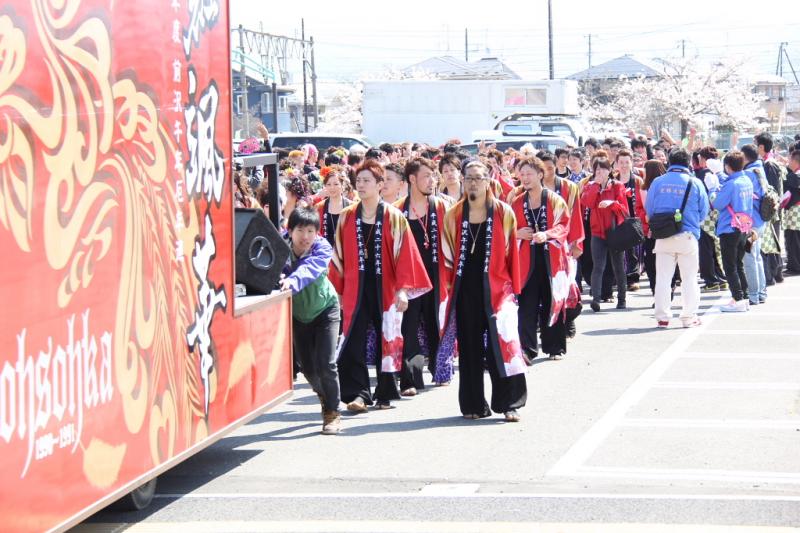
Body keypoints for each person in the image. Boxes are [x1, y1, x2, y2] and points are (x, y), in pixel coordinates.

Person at [330, 161, 432, 412]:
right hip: (356, 287)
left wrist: (403, 289)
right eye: (359, 181)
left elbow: (405, 255)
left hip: (386, 287)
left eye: (367, 181)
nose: (361, 185)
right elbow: (338, 256)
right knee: (352, 338)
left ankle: (385, 391)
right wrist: (339, 291)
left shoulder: (393, 216)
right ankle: (358, 394)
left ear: (379, 185)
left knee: (388, 335)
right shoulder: (347, 217)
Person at [435, 160, 527, 421]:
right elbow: (447, 256)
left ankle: (510, 403)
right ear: (462, 181)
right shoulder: (453, 214)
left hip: (499, 289)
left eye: (478, 178)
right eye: (469, 178)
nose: (473, 182)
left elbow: (512, 253)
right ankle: (474, 405)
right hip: (466, 290)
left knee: (505, 344)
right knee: (469, 347)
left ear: (488, 181)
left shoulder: (503, 212)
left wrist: (514, 290)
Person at [280, 208, 342, 435]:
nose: (305, 236)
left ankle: (333, 413)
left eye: (310, 231)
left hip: (326, 309)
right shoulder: (280, 247)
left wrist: (290, 280)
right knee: (308, 370)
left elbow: (310, 269)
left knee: (327, 364)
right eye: (300, 230)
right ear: (290, 230)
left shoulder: (322, 247)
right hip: (298, 315)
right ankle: (325, 396)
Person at [395, 158, 451, 393]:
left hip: (437, 274)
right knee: (407, 326)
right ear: (411, 179)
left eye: (433, 175)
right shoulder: (398, 210)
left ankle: (440, 369)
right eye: (426, 175)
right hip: (410, 278)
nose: (432, 180)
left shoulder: (441, 206)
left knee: (436, 322)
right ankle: (410, 379)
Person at [511, 157, 571, 361]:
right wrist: (517, 233)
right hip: (526, 260)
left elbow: (564, 224)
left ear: (540, 174)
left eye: (529, 174)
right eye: (522, 174)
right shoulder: (517, 202)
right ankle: (527, 349)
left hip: (551, 259)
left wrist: (547, 234)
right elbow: (508, 228)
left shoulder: (555, 200)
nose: (525, 178)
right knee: (526, 305)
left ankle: (554, 347)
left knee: (552, 300)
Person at [644, 148, 709, 328]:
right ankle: (688, 317)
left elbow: (649, 209)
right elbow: (704, 211)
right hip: (687, 236)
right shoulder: (695, 183)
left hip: (663, 237)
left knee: (663, 278)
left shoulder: (657, 182)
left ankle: (662, 317)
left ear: (669, 163)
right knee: (689, 278)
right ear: (688, 162)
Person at [537, 151, 584, 338]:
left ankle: (568, 320)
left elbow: (575, 216)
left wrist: (576, 242)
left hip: (563, 244)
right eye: (543, 168)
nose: (547, 172)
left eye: (550, 167)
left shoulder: (569, 187)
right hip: (538, 243)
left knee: (566, 284)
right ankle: (545, 324)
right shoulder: (529, 188)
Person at [581, 157, 630, 312]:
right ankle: (595, 299)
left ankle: (622, 299)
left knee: (618, 267)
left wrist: (612, 203)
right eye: (597, 169)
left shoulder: (617, 186)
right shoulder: (590, 186)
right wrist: (595, 185)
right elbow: (587, 203)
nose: (600, 172)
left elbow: (624, 210)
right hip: (597, 232)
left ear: (609, 171)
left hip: (615, 232)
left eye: (603, 169)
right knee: (598, 266)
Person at [712, 151, 754, 313]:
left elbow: (717, 203)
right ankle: (743, 296)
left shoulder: (732, 184)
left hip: (729, 227)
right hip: (744, 226)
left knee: (729, 266)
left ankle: (737, 299)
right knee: (738, 264)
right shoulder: (746, 180)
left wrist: (712, 190)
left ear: (728, 167)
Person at [742, 144, 769, 305]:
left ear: (745, 157)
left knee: (749, 258)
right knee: (756, 257)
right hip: (760, 220)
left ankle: (753, 294)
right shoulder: (760, 169)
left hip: (750, 223)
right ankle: (761, 292)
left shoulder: (748, 174)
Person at [315, 165, 352, 248]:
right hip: (325, 253)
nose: (332, 188)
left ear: (342, 185)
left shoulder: (352, 206)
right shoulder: (320, 207)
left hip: (346, 250)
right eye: (328, 184)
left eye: (336, 184)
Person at [784, 150, 800, 275]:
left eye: (790, 160)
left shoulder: (795, 176)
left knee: (793, 238)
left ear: (795, 161)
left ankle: (795, 266)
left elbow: (792, 196)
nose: (788, 162)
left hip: (795, 211)